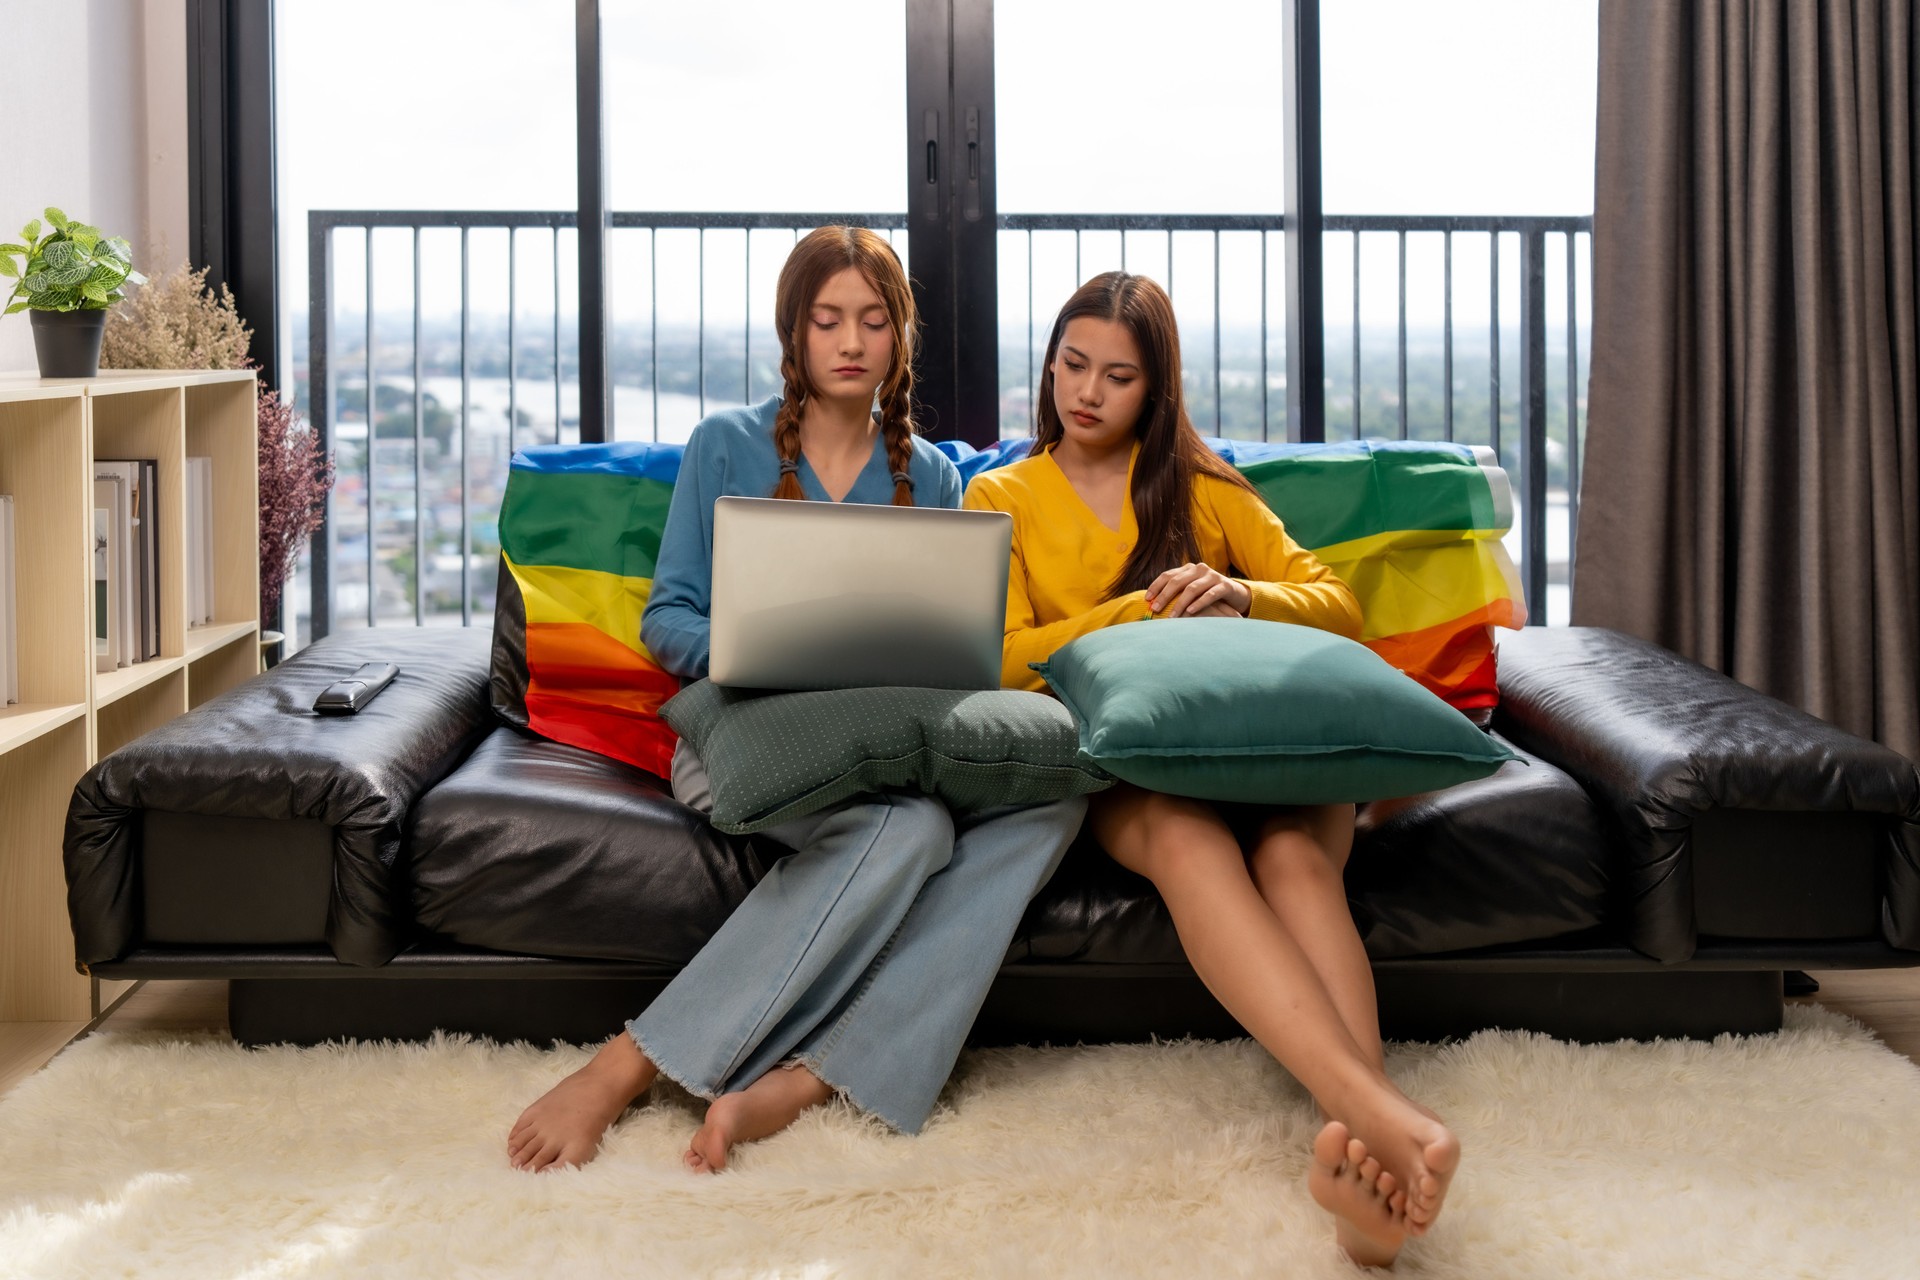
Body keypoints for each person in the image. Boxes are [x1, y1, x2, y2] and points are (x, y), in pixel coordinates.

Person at [506, 226, 1087, 1176]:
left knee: (1053, 799)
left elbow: (949, 641)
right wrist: (752, 654)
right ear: (795, 333)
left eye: (872, 320)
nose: (851, 341)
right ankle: (626, 1065)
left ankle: (816, 1073)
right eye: (828, 321)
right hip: (750, 733)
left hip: (883, 745)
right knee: (912, 835)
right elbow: (669, 618)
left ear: (900, 337)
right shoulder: (726, 445)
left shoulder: (935, 478)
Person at [963, 272, 1459, 1268]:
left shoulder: (1203, 484)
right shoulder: (1002, 494)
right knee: (1192, 847)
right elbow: (1005, 655)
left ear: (1156, 389)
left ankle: (1364, 1178)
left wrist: (1236, 591)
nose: (1086, 392)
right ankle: (1377, 1114)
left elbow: (1338, 604)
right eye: (1071, 364)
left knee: (1298, 858)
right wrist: (1136, 611)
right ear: (1048, 362)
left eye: (1117, 375)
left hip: (1266, 742)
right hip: (1139, 762)